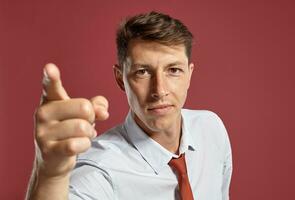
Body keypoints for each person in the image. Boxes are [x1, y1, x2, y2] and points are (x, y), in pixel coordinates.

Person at [26, 11, 232, 200]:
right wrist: (51, 176)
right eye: (142, 72)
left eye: (174, 70)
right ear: (120, 78)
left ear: (189, 74)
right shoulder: (101, 168)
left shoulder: (211, 129)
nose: (159, 90)